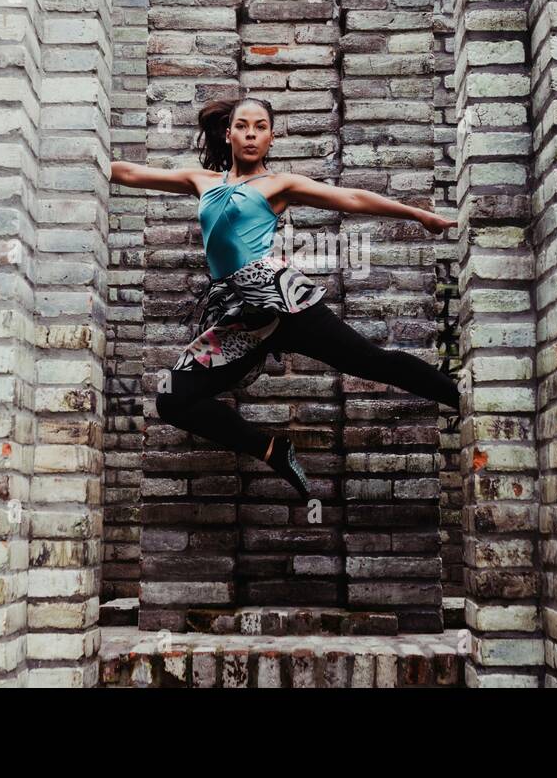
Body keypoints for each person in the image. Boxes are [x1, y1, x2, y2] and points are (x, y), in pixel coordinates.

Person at [109, 96, 461, 499]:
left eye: (260, 126)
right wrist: (91, 160)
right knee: (173, 399)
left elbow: (353, 198)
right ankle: (273, 450)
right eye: (242, 126)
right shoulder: (202, 181)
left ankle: (459, 397)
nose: (251, 134)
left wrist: (418, 215)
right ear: (229, 133)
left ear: (271, 137)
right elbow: (133, 172)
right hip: (239, 316)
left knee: (371, 361)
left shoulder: (279, 185)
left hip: (284, 302)